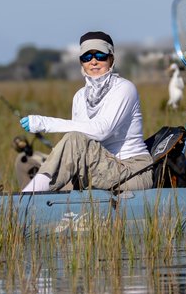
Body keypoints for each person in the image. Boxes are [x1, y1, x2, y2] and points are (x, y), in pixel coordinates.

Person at [20, 31, 153, 193]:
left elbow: (101, 131)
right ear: (81, 63)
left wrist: (45, 123)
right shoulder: (79, 96)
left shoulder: (124, 88)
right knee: (25, 161)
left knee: (74, 138)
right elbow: (81, 140)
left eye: (100, 55)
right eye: (87, 57)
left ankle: (25, 198)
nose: (94, 62)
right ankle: (29, 198)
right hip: (99, 169)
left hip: (131, 172)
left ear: (111, 59)